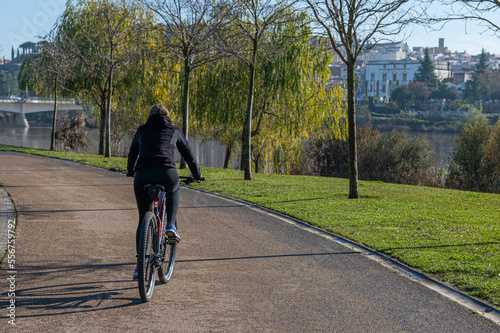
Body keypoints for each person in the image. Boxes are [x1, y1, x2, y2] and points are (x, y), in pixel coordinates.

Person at [127, 104, 202, 280]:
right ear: (167, 116)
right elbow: (188, 154)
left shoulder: (141, 130)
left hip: (143, 174)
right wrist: (196, 174)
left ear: (149, 116)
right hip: (167, 172)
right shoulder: (174, 130)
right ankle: (170, 225)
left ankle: (140, 267)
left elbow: (132, 153)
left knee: (142, 218)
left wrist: (130, 171)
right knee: (174, 187)